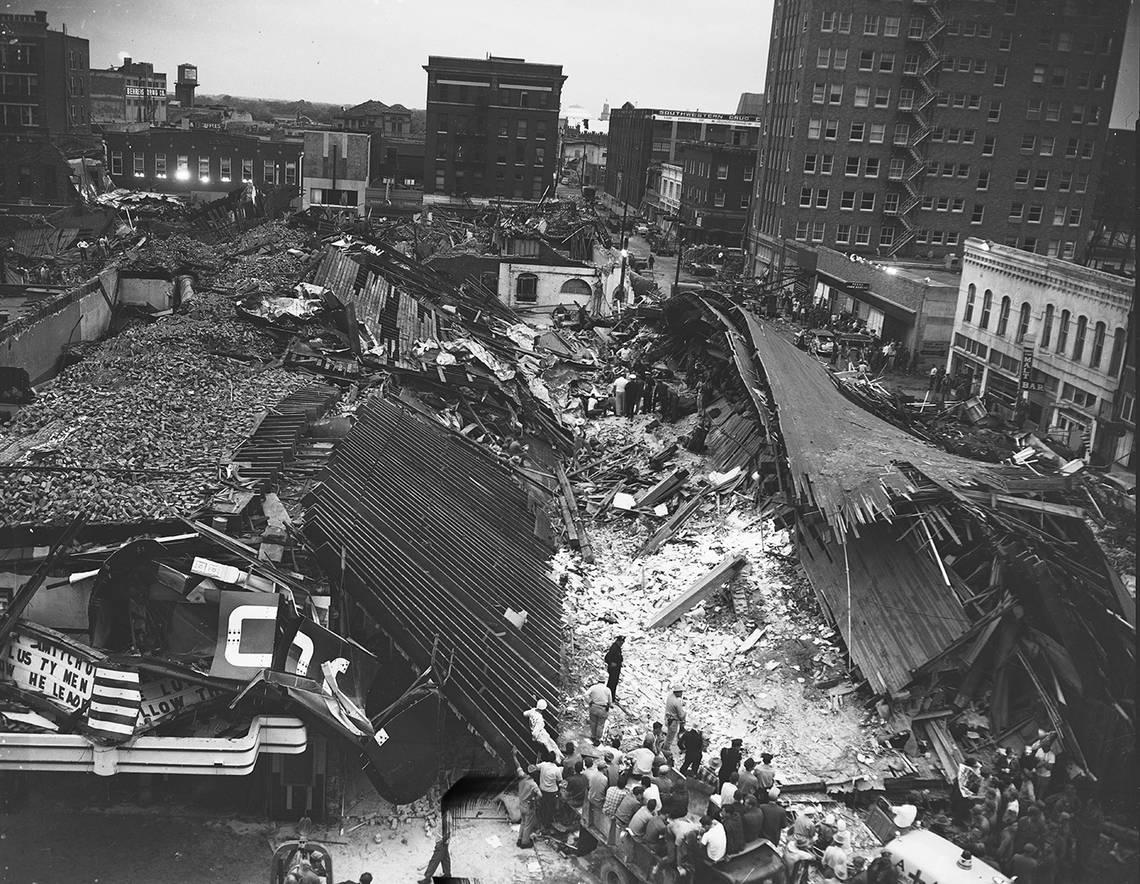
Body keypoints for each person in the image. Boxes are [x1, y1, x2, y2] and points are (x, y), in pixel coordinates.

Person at [418, 808, 451, 883]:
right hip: (443, 842)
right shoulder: (445, 816)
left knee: (434, 860)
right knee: (445, 859)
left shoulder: (447, 818)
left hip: (441, 842)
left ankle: (427, 878)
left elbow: (448, 832)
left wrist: (442, 841)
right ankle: (447, 875)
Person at [515, 762, 541, 848]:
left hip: (521, 804)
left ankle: (519, 839)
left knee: (523, 822)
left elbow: (518, 766)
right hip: (528, 806)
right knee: (528, 825)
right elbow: (540, 795)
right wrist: (534, 798)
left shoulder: (523, 776)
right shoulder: (533, 784)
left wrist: (514, 756)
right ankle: (524, 843)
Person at [536, 752, 563, 832]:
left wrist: (537, 762)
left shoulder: (543, 765)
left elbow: (533, 768)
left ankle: (541, 821)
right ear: (554, 760)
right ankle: (547, 824)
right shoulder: (556, 770)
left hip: (543, 790)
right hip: (552, 792)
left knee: (543, 805)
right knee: (550, 809)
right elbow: (560, 781)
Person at [584, 678, 613, 743]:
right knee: (600, 725)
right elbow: (610, 702)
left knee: (593, 722)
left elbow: (585, 695)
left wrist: (589, 702)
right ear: (604, 681)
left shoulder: (593, 687)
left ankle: (593, 736)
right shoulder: (607, 689)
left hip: (594, 707)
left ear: (598, 681)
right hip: (603, 708)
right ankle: (597, 739)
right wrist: (609, 706)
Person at [664, 686, 686, 754]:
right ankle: (665, 750)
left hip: (667, 719)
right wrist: (685, 714)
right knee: (670, 738)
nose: (682, 693)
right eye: (681, 692)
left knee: (669, 735)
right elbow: (681, 716)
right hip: (673, 721)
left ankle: (665, 747)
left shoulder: (670, 697)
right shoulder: (677, 702)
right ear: (678, 692)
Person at [604, 636, 625, 702]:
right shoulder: (614, 648)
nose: (622, 644)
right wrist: (611, 663)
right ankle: (608, 697)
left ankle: (612, 697)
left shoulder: (618, 648)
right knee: (612, 683)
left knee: (614, 683)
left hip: (616, 668)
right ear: (618, 641)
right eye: (621, 642)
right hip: (613, 669)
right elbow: (607, 657)